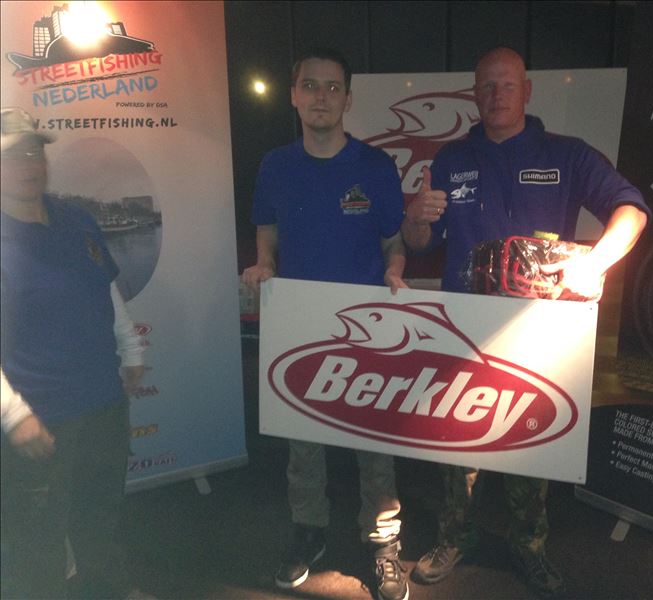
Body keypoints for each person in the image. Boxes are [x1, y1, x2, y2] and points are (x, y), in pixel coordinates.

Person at [402, 47, 650, 598]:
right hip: (463, 327)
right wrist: (414, 219)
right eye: (486, 86)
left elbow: (631, 209)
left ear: (527, 91)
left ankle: (529, 547)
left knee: (530, 441)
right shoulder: (451, 159)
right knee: (456, 442)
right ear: (474, 94)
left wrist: (596, 263)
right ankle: (454, 536)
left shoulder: (566, 154)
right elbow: (420, 242)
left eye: (507, 85)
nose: (496, 96)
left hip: (538, 331)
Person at [241, 48, 409, 600]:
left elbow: (394, 241)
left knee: (373, 442)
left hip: (368, 328)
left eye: (332, 87)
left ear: (348, 99)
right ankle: (309, 530)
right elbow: (267, 229)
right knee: (304, 443)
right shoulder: (275, 165)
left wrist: (395, 269)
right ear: (293, 95)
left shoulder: (375, 167)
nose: (321, 96)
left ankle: (382, 539)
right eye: (310, 86)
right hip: (300, 325)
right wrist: (265, 264)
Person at [0, 107, 147, 598]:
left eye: (34, 152)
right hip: (40, 419)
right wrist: (13, 415)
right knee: (36, 542)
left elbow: (104, 288)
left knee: (99, 521)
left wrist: (130, 347)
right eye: (12, 155)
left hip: (103, 404)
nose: (28, 164)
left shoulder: (76, 219)